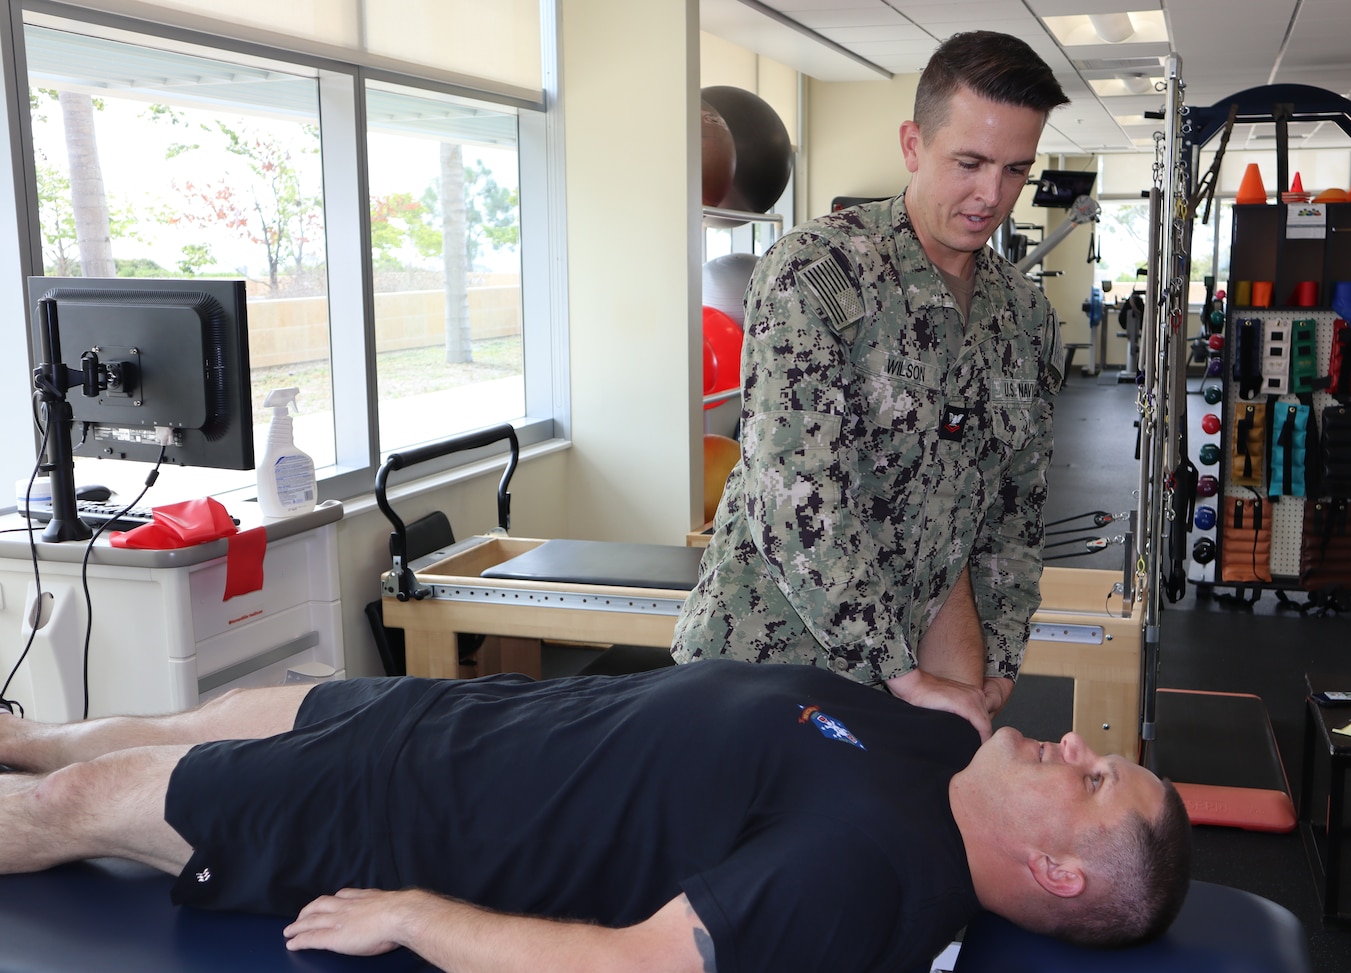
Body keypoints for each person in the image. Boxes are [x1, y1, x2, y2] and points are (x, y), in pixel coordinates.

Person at [0, 661, 1190, 972]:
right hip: (446, 715)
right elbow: (935, 699)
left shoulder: (871, 875)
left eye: (1093, 782)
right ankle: (21, 732)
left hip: (393, 814)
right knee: (167, 722)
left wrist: (421, 917)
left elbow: (639, 961)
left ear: (1059, 874)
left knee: (75, 805)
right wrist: (957, 696)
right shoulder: (949, 750)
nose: (1077, 746)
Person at [673, 30, 1073, 740]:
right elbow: (796, 498)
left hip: (914, 674)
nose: (992, 195)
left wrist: (998, 665)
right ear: (913, 145)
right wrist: (901, 671)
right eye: (970, 162)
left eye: (1016, 169)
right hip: (765, 669)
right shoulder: (819, 272)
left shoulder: (1026, 319)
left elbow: (1014, 512)